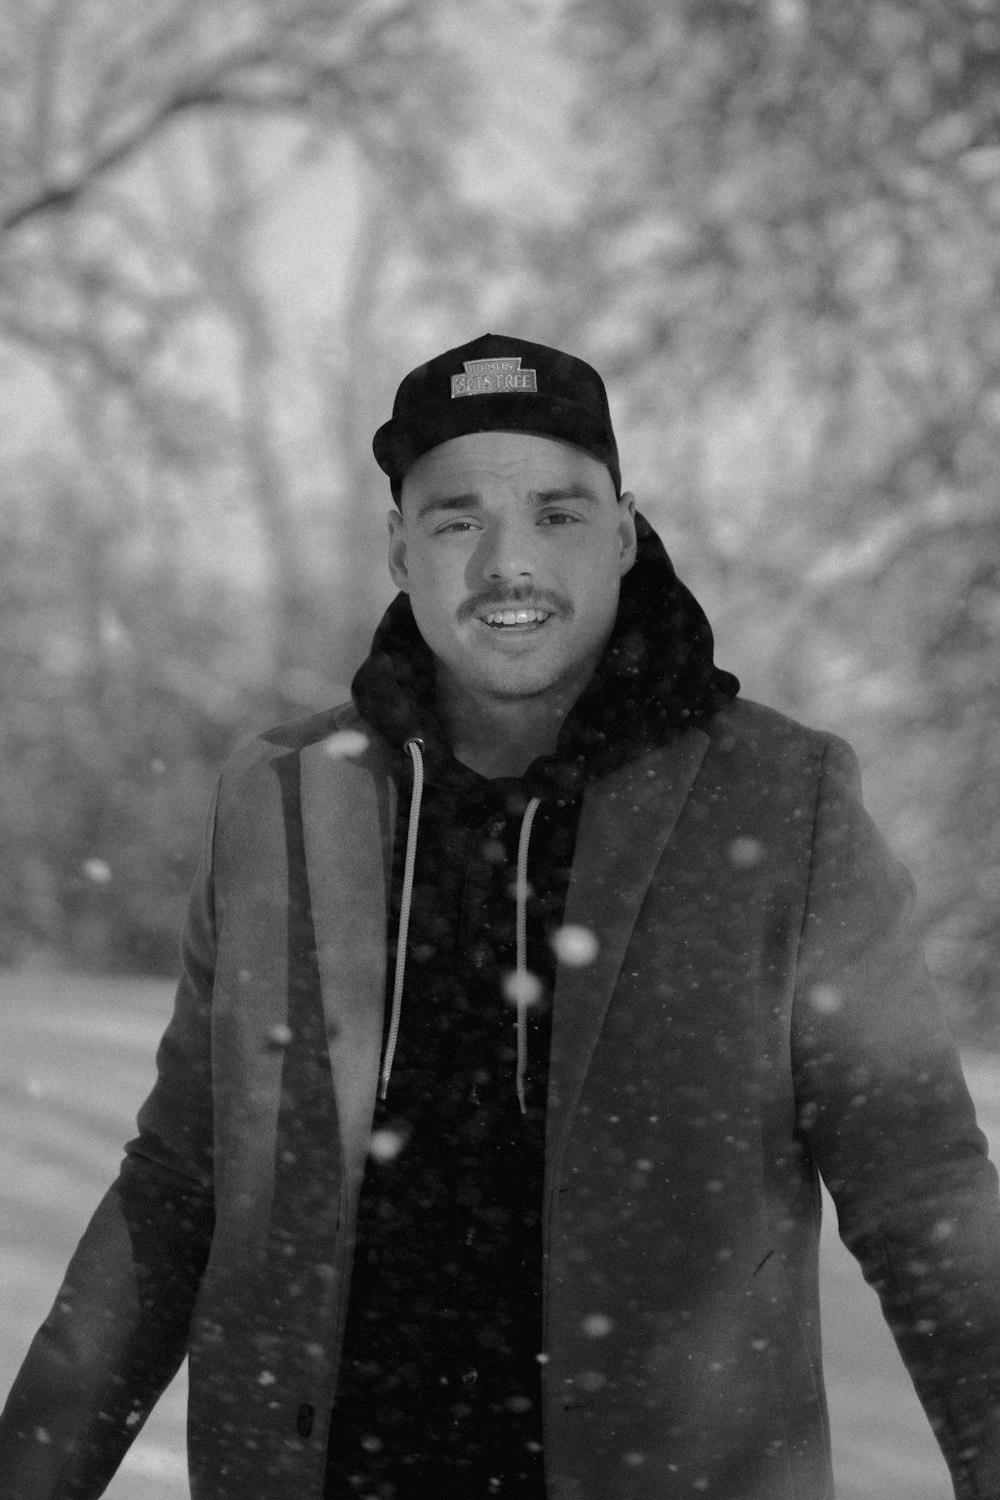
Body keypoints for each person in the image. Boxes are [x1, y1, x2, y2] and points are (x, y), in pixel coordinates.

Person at [1, 332, 999, 1500]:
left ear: (624, 533)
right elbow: (180, 1181)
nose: (506, 563)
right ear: (400, 549)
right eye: (457, 518)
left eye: (559, 514)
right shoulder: (283, 793)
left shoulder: (780, 802)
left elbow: (918, 1192)